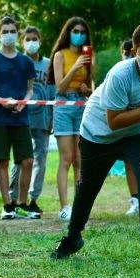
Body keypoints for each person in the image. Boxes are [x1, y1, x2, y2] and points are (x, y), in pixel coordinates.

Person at [51, 23, 140, 270]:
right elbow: (113, 121)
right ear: (134, 53)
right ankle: (73, 237)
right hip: (99, 133)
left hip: (139, 132)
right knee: (87, 188)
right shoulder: (120, 75)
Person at [0, 16, 40, 220]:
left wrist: (24, 101)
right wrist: (2, 101)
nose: (9, 35)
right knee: (3, 161)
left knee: (28, 160)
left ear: (17, 33)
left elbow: (30, 90)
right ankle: (7, 205)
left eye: (12, 31)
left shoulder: (26, 61)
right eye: (5, 31)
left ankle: (22, 203)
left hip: (21, 119)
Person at [48, 16, 95, 221]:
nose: (79, 35)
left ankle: (78, 206)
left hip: (81, 105)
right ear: (68, 33)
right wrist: (75, 67)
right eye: (75, 31)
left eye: (82, 32)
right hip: (64, 105)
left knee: (79, 160)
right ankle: (64, 207)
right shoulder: (60, 55)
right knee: (66, 159)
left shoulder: (88, 55)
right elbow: (60, 87)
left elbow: (90, 88)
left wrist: (86, 89)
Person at [10, 26, 53, 214]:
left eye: (34, 39)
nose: (31, 42)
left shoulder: (48, 64)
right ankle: (14, 198)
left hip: (42, 119)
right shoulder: (17, 62)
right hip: (21, 119)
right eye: (27, 39)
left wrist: (52, 118)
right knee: (20, 160)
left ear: (40, 41)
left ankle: (33, 198)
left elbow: (52, 92)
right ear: (22, 42)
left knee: (40, 161)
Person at [121, 38, 140, 216]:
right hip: (125, 125)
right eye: (125, 53)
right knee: (128, 163)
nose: (127, 56)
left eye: (130, 53)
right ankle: (135, 200)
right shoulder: (119, 73)